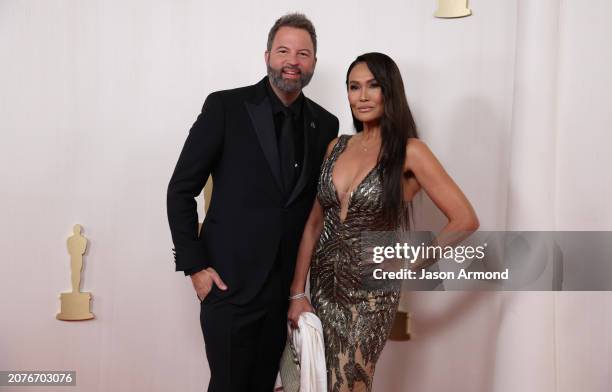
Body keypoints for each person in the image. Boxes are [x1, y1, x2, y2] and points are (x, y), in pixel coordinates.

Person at [166, 13, 339, 392]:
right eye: (283, 50)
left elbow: (311, 210)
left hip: (282, 294)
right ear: (267, 56)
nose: (292, 60)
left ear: (313, 63)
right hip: (228, 287)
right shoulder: (226, 107)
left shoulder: (326, 124)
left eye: (303, 53)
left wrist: (297, 290)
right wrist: (196, 267)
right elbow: (180, 189)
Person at [287, 52, 480, 392]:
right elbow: (313, 225)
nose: (362, 96)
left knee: (350, 384)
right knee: (315, 383)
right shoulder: (336, 146)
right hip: (322, 287)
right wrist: (297, 292)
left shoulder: (411, 152)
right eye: (353, 87)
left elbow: (464, 219)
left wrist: (408, 265)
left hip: (368, 295)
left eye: (373, 86)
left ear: (389, 92)